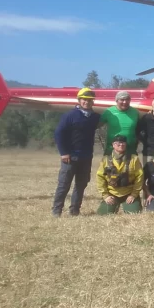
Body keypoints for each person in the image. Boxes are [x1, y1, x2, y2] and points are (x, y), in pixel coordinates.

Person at [51, 87, 101, 217]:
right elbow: (58, 133)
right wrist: (64, 152)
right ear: (79, 100)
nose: (87, 102)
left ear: (93, 102)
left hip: (86, 156)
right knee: (64, 185)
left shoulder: (95, 117)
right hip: (70, 156)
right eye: (84, 100)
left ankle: (75, 210)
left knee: (81, 185)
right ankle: (57, 210)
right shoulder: (69, 115)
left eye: (90, 100)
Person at [95, 135, 144, 214]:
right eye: (118, 143)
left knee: (134, 213)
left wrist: (134, 195)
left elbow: (140, 177)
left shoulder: (134, 159)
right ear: (113, 145)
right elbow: (100, 177)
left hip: (129, 192)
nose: (121, 145)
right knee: (103, 214)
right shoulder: (106, 159)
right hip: (112, 193)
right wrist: (105, 196)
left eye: (123, 143)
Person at [100, 91, 140, 155]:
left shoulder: (135, 112)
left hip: (130, 150)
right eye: (122, 100)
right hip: (112, 151)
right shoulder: (109, 112)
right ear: (116, 100)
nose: (125, 102)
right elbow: (96, 125)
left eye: (127, 99)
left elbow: (141, 128)